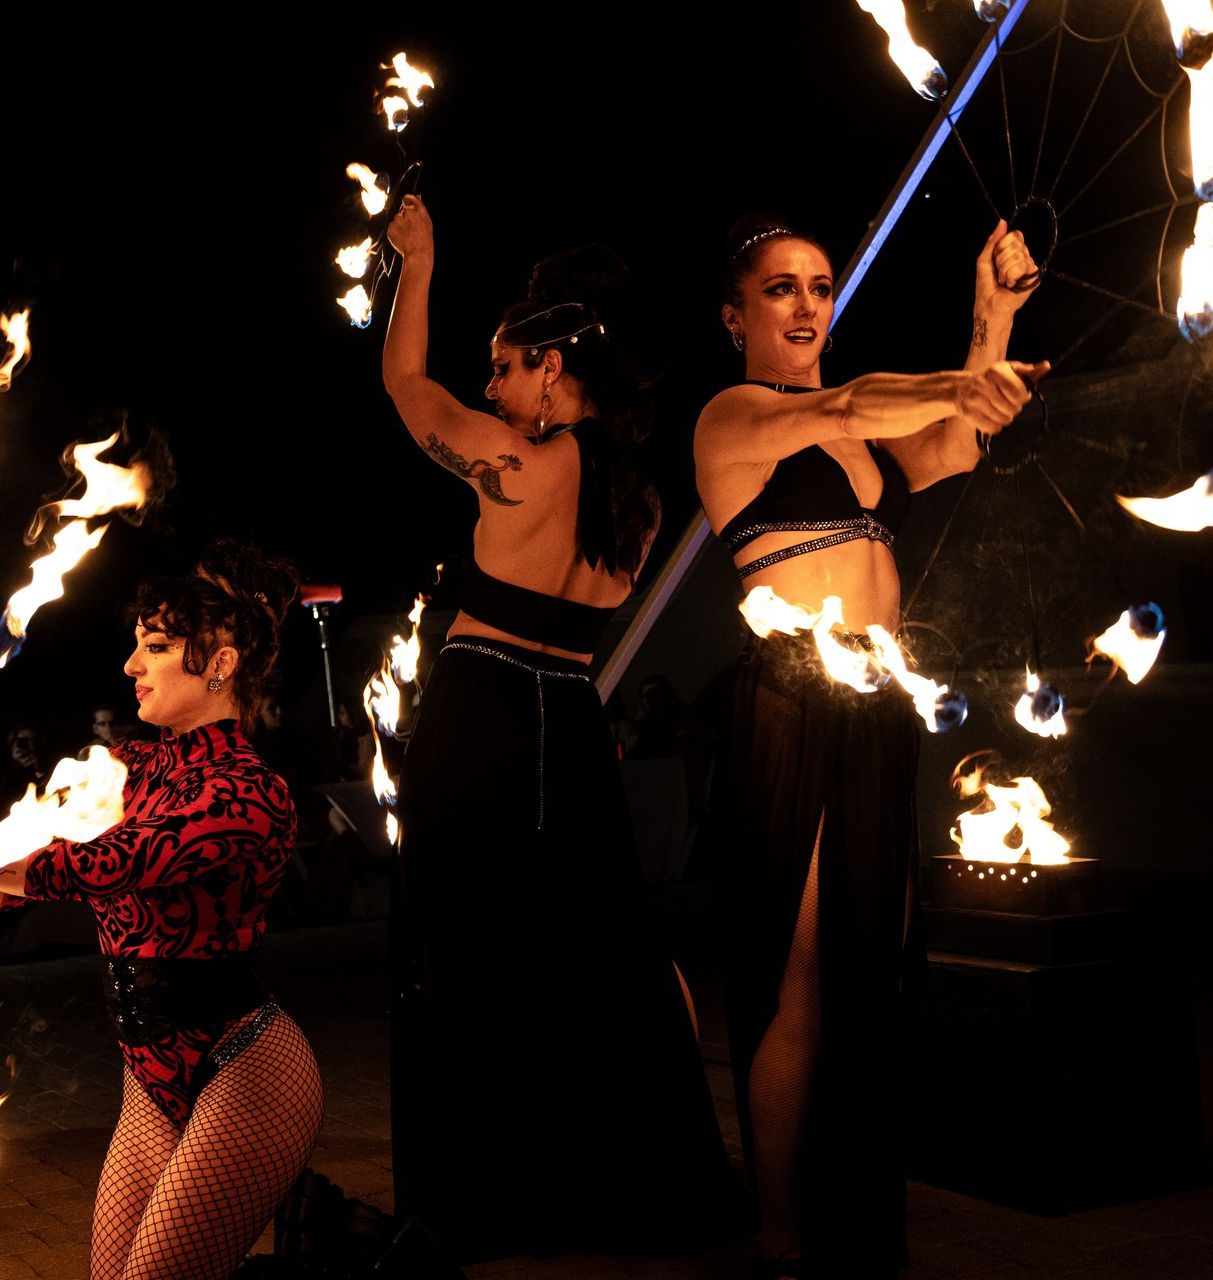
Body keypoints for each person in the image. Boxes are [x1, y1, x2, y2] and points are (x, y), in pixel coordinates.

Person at [380, 195, 735, 1260]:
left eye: (502, 366)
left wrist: (419, 262)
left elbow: (405, 385)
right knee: (596, 952)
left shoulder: (516, 460)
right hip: (573, 726)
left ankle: (477, 1200)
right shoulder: (641, 501)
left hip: (480, 714)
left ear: (549, 367)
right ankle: (624, 1185)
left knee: (463, 948)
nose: (490, 387)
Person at [694, 214, 1041, 1277]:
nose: (808, 304)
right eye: (781, 288)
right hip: (794, 702)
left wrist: (993, 314)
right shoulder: (735, 417)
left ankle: (852, 1221)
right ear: (736, 315)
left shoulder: (864, 437)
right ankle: (782, 1238)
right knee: (798, 974)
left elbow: (952, 445)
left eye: (820, 285)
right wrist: (961, 382)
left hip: (879, 707)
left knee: (873, 968)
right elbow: (853, 401)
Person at [0, 542, 321, 1280]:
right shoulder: (134, 767)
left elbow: (81, 870)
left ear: (220, 664)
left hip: (247, 1075)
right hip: (147, 1084)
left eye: (157, 647)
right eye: (137, 644)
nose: (131, 665)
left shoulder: (246, 791)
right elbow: (9, 885)